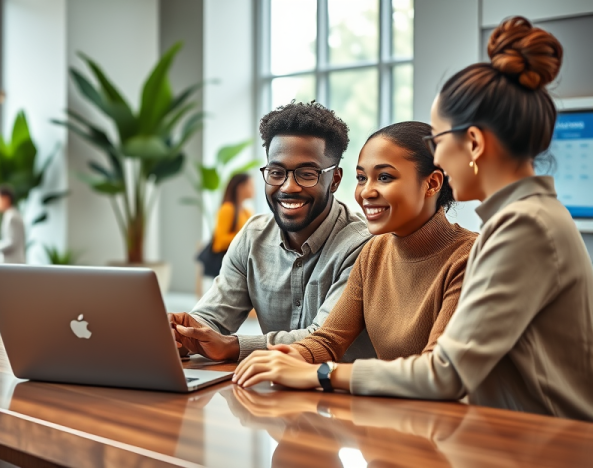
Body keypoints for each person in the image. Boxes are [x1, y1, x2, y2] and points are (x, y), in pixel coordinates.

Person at [234, 17, 593, 421]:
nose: (436, 158)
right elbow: (329, 339)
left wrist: (320, 374)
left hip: (546, 447)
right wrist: (290, 357)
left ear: (472, 143)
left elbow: (446, 373)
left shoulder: (525, 227)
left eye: (438, 140)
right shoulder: (522, 220)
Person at [234, 120, 475, 373]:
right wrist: (280, 356)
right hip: (393, 407)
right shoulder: (374, 251)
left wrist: (323, 376)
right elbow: (328, 341)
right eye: (362, 178)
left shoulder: (469, 256)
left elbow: (434, 371)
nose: (366, 192)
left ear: (432, 184)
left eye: (384, 177)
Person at [172, 101, 373, 363]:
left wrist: (233, 346)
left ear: (334, 180)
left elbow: (321, 338)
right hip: (273, 391)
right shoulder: (253, 236)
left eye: (307, 173)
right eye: (277, 172)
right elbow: (213, 318)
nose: (289, 187)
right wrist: (185, 334)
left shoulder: (363, 245)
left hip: (344, 396)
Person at [212, 174, 254, 254]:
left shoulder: (247, 212)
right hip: (225, 260)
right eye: (250, 185)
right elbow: (219, 243)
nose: (254, 189)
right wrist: (245, 235)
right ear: (240, 187)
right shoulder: (228, 209)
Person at [0, 185, 26, 264]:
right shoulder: (9, 215)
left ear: (6, 199)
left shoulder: (12, 217)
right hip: (12, 262)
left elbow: (12, 242)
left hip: (14, 262)